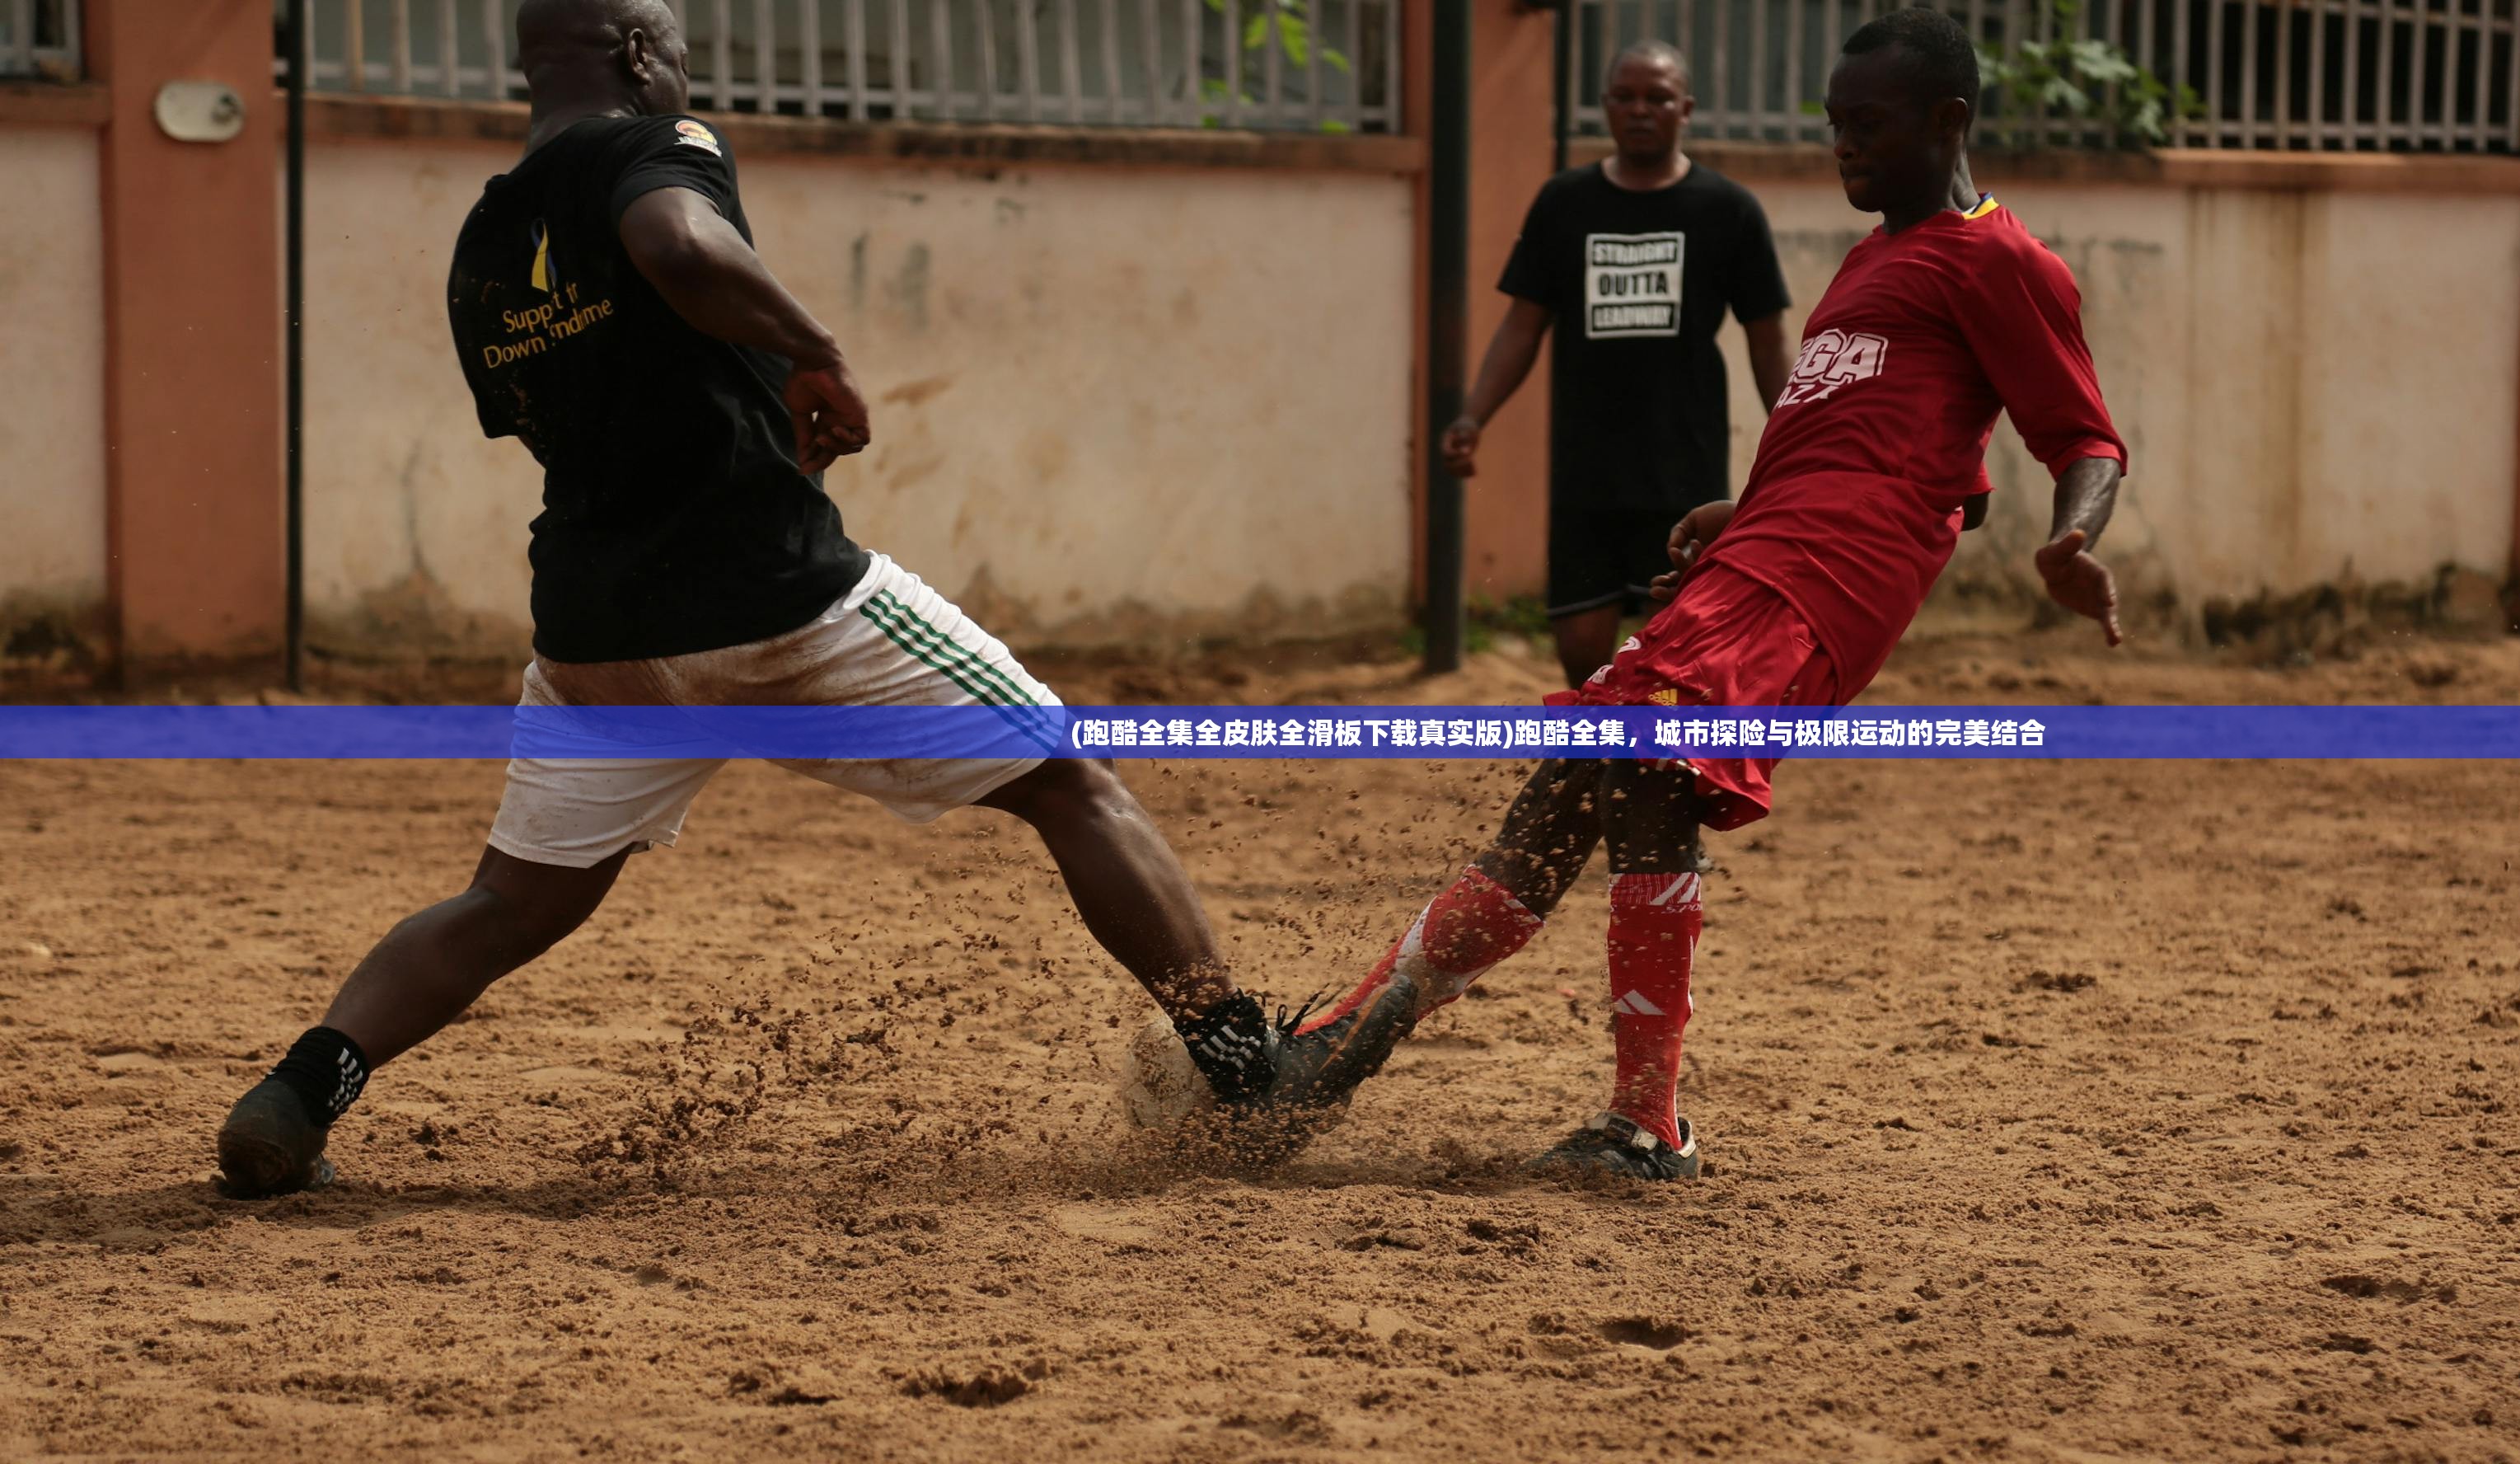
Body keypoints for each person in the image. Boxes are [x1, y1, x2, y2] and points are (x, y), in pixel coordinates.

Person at [211, 0, 1410, 1199]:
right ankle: (1249, 1069)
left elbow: (572, 412)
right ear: (640, 53)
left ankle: (301, 1092)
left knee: (503, 905)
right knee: (1068, 780)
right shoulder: (658, 146)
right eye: (676, 47)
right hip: (773, 595)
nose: (686, 69)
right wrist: (815, 348)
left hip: (596, 626)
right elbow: (679, 249)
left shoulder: (486, 236)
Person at [1304, 7, 2128, 1180]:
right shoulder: (1872, 258)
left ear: (1948, 122)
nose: (1843, 145)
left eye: (1869, 125)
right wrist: (1743, 509)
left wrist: (2073, 541)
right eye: (1835, 122)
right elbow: (1898, 450)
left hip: (1820, 585)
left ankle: (1647, 1123)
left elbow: (2083, 438)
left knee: (1651, 771)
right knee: (1567, 790)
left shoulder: (2002, 261)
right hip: (1759, 557)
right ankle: (1337, 1043)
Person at [1442, 40, 1796, 691]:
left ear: (1685, 108)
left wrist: (1798, 441)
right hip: (1585, 470)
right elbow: (1523, 324)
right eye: (1625, 97)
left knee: (1668, 651)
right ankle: (1598, 767)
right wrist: (1473, 414)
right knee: (1582, 652)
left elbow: (1767, 339)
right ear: (1604, 107)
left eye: (1657, 97)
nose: (1641, 110)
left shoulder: (1728, 210)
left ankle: (1646, 779)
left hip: (1683, 469)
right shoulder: (1564, 204)